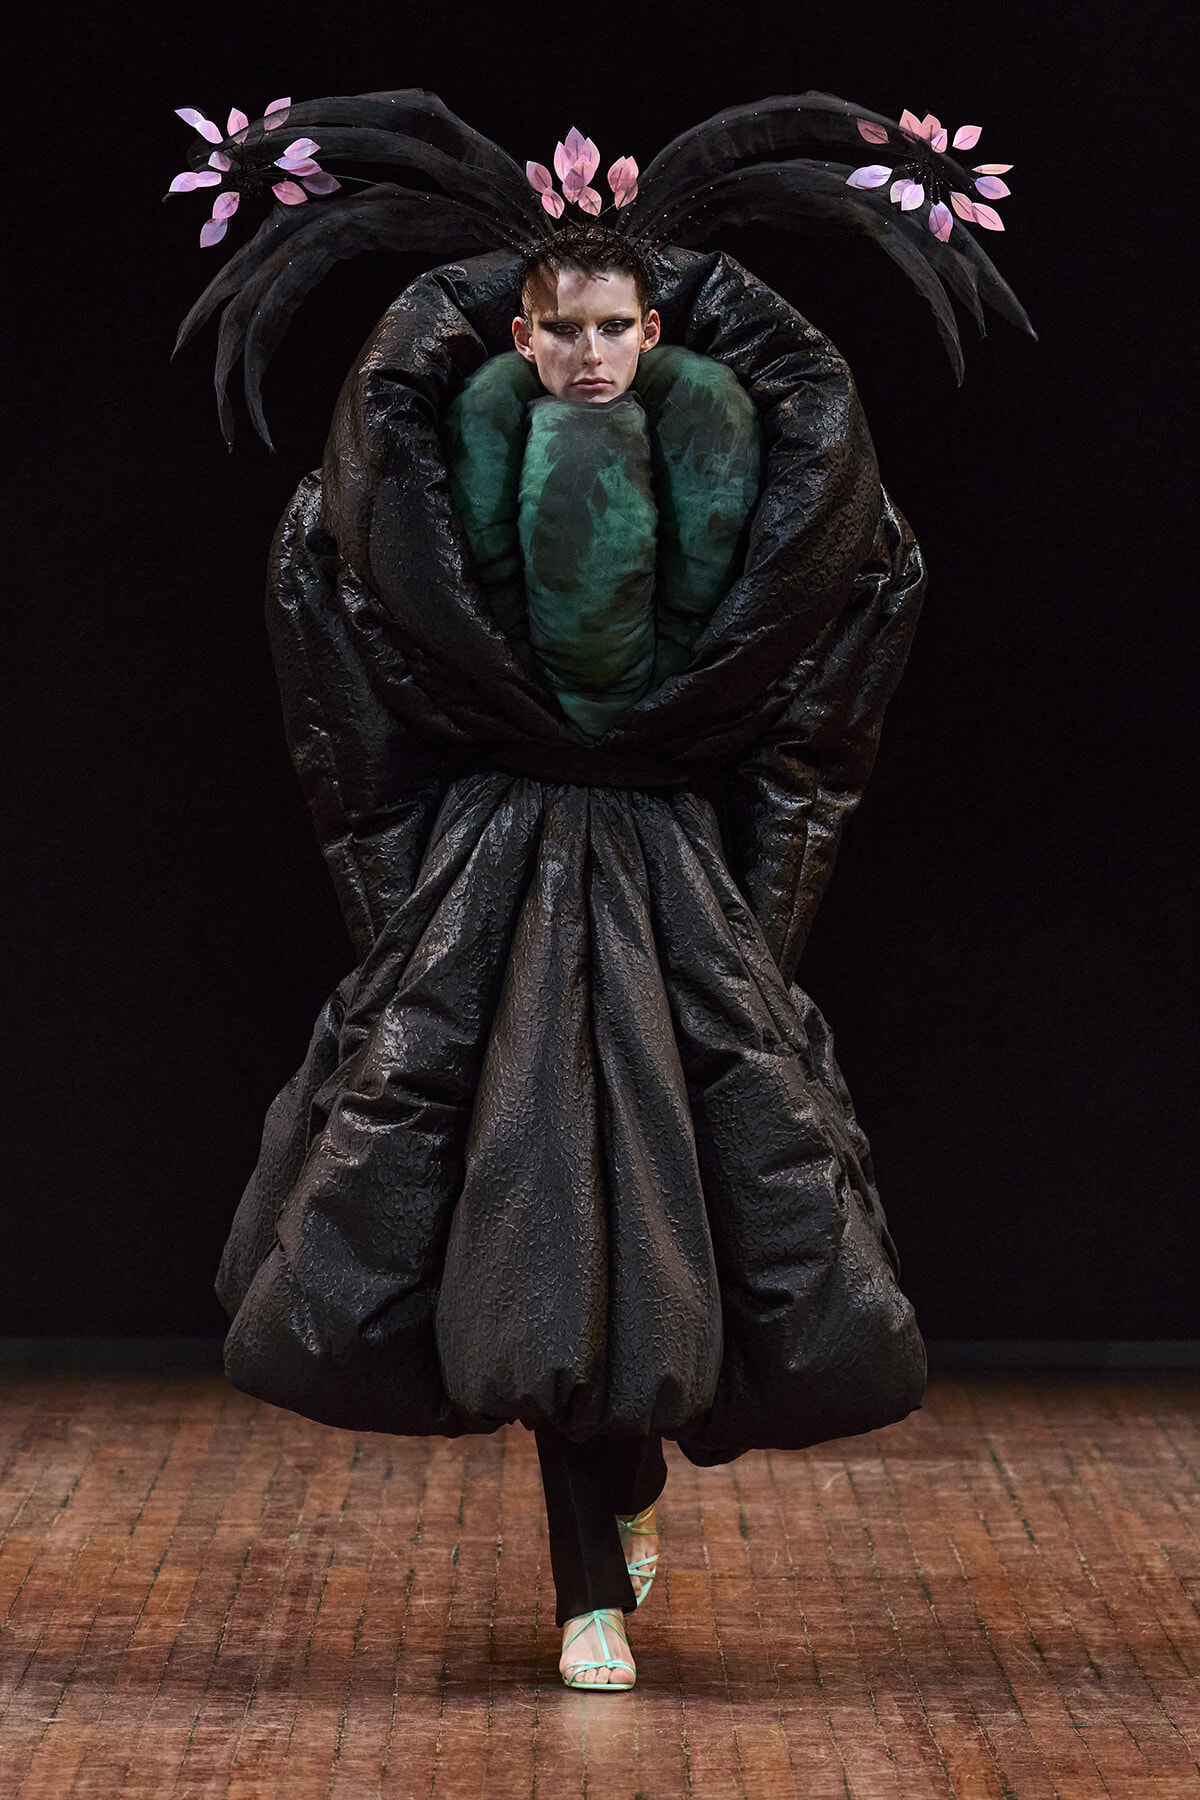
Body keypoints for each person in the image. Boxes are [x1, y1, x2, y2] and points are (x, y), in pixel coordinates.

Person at [173, 90, 1032, 1693]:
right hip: (491, 869)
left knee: (663, 1218)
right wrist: (397, 908)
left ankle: (622, 1491)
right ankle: (587, 1587)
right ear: (519, 328)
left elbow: (817, 726)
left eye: (617, 327)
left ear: (652, 330)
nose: (588, 355)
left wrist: (762, 917)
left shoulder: (753, 479)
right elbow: (340, 708)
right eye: (562, 329)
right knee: (530, 1209)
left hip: (661, 878)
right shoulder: (419, 482)